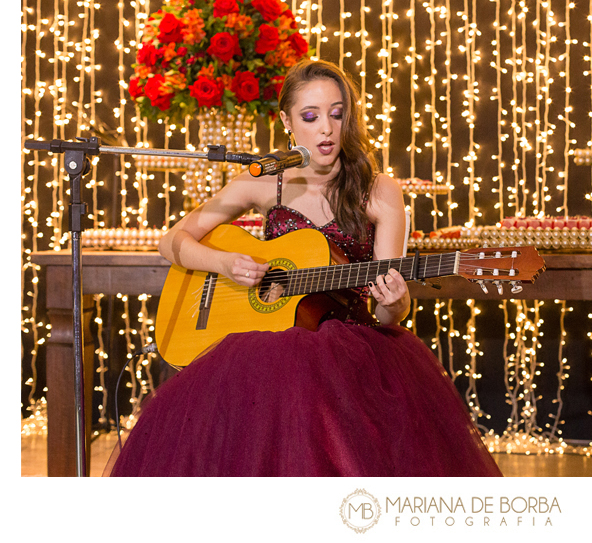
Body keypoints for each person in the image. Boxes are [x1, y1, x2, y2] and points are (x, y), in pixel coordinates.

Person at [107, 58, 502, 476]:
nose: (327, 129)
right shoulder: (264, 181)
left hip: (352, 354)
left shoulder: (379, 190)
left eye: (337, 114)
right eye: (311, 117)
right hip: (265, 352)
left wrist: (396, 301)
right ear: (287, 122)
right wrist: (221, 262)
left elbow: (390, 313)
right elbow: (171, 240)